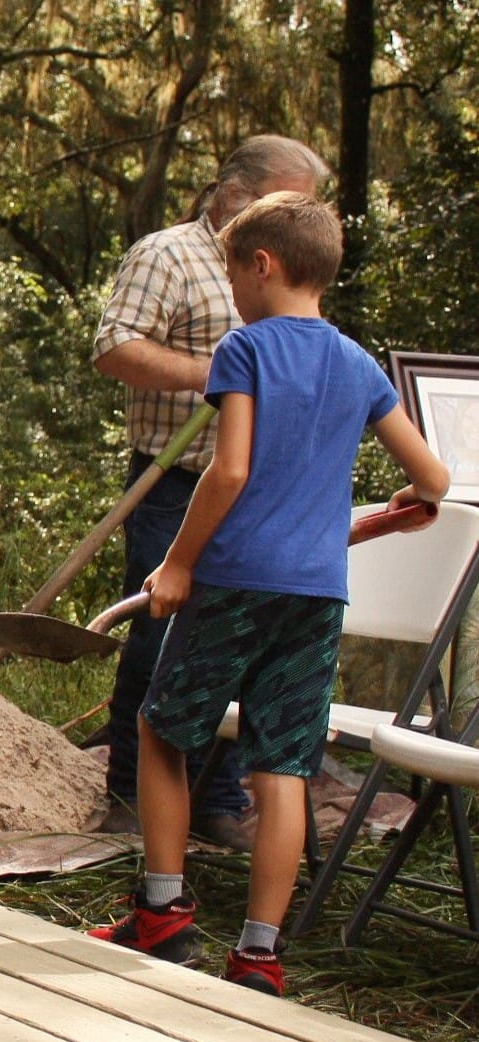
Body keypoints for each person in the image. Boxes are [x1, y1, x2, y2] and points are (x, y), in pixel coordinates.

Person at [90, 193, 449, 995]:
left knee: (161, 732)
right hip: (315, 596)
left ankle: (161, 915)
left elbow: (231, 470)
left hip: (235, 578)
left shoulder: (245, 349)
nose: (231, 288)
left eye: (230, 271)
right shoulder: (356, 364)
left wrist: (176, 563)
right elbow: (431, 484)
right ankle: (257, 954)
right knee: (282, 766)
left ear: (263, 266)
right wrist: (373, 523)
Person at [92, 136, 332, 850]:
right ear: (233, 192)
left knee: (243, 646)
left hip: (262, 493)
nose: (295, 215)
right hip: (176, 483)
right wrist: (221, 374)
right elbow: (114, 348)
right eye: (284, 200)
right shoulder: (166, 254)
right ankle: (131, 796)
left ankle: (215, 800)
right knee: (159, 637)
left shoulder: (284, 264)